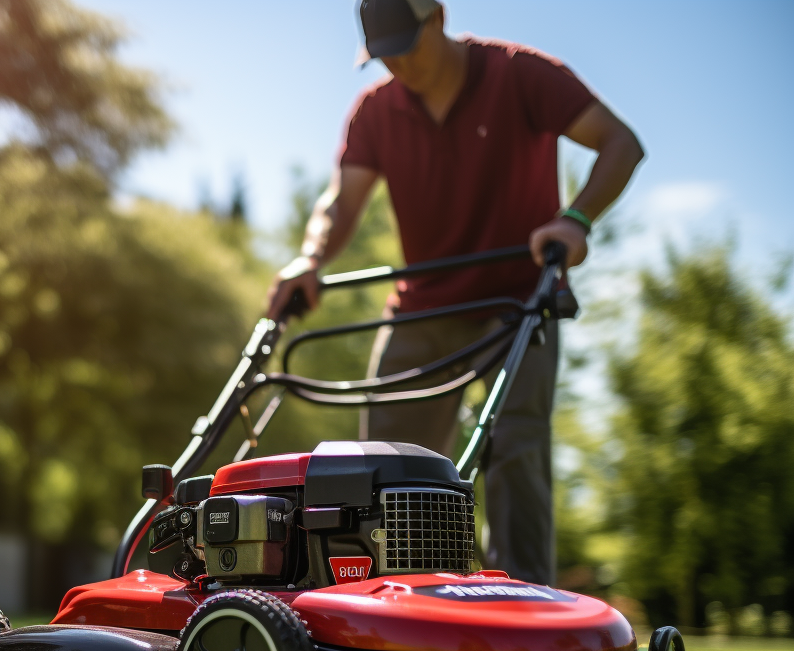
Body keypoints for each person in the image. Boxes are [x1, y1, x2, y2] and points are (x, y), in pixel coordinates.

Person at [266, 0, 643, 585]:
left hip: (518, 301)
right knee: (387, 466)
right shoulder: (376, 110)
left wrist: (576, 219)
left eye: (406, 48)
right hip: (424, 306)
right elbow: (341, 201)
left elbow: (620, 143)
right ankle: (397, 599)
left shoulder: (519, 74)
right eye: (383, 56)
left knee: (514, 445)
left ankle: (524, 607)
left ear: (437, 19)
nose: (398, 66)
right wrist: (310, 257)